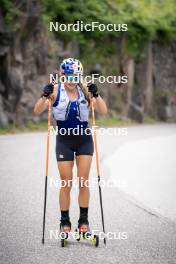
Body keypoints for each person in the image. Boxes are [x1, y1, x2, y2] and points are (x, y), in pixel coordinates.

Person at [34, 58, 107, 234]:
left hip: (84, 140)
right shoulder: (55, 91)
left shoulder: (85, 90)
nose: (72, 81)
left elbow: (103, 111)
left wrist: (96, 95)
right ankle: (64, 221)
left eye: (76, 77)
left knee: (83, 181)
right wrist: (44, 95)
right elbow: (37, 110)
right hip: (64, 141)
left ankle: (83, 222)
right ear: (62, 75)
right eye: (69, 77)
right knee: (66, 182)